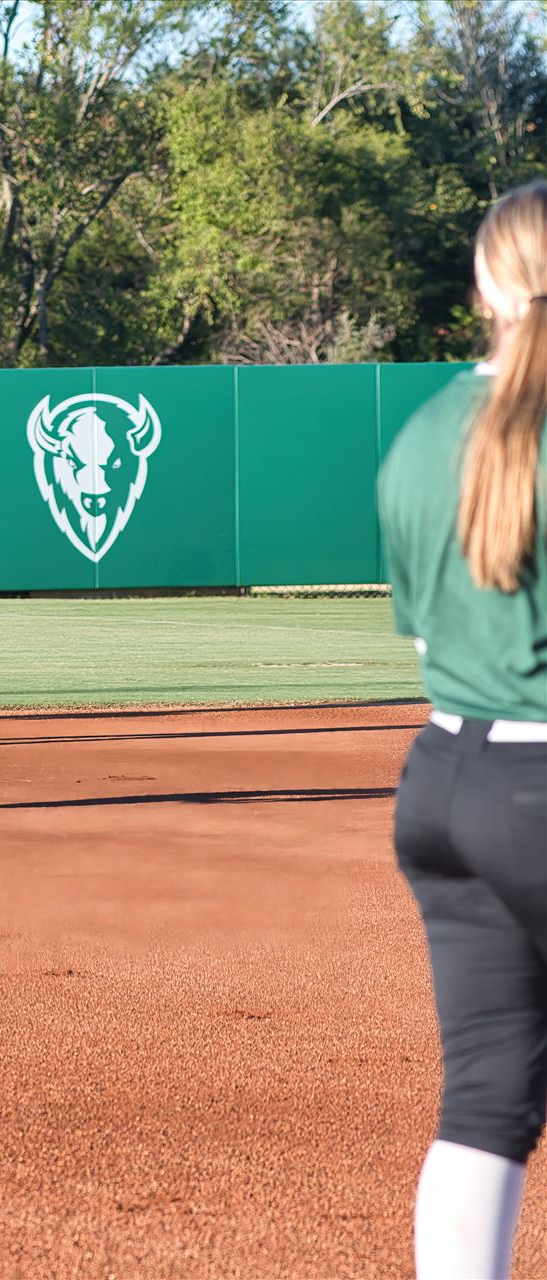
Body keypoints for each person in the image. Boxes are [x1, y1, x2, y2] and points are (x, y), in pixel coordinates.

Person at [378, 180, 547, 1280]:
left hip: (442, 778)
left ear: (483, 284)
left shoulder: (424, 432)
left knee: (485, 1097)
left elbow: (423, 630)